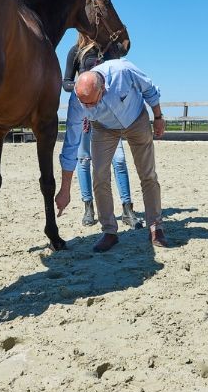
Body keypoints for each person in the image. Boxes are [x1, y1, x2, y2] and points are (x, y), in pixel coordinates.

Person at [55, 59, 166, 252]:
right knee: (99, 176)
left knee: (148, 174)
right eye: (84, 104)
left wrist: (158, 117)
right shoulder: (76, 102)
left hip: (136, 119)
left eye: (92, 103)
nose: (87, 108)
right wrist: (65, 189)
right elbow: (71, 144)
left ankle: (155, 227)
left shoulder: (123, 71)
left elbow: (149, 90)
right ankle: (109, 231)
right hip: (104, 128)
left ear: (103, 88)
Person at [59, 35, 142, 229]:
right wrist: (85, 86)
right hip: (84, 108)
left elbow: (122, 59)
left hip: (105, 112)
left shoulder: (108, 50)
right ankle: (88, 207)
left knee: (119, 160)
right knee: (84, 159)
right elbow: (66, 83)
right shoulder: (75, 51)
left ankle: (127, 208)